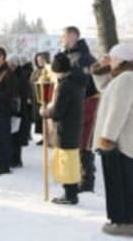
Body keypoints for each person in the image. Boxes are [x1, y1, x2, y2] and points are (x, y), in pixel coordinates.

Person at [92, 44, 133, 237]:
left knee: (121, 183)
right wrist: (100, 68)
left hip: (121, 142)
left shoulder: (126, 78)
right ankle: (122, 219)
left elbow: (118, 111)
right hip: (119, 141)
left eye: (113, 57)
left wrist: (107, 138)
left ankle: (125, 221)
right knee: (119, 182)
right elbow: (103, 87)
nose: (110, 60)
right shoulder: (121, 77)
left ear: (123, 58)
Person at [40, 53, 83, 205]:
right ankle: (70, 192)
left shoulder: (64, 86)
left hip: (65, 129)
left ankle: (70, 194)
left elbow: (57, 111)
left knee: (67, 162)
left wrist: (44, 112)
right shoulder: (75, 82)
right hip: (72, 127)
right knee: (69, 161)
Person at [62, 26, 99, 192]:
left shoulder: (85, 58)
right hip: (73, 103)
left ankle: (87, 179)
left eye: (65, 36)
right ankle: (77, 175)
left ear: (73, 37)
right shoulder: (67, 56)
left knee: (84, 142)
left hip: (87, 102)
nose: (63, 39)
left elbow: (88, 83)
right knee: (75, 141)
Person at [0, 47, 17, 175]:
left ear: (1, 57)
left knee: (3, 137)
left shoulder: (8, 73)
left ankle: (5, 163)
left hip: (4, 110)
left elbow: (8, 94)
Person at [30, 52, 50, 145]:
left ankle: (48, 137)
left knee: (45, 118)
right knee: (39, 118)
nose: (40, 62)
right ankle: (43, 136)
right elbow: (30, 84)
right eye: (38, 60)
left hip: (46, 98)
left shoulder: (49, 71)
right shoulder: (35, 72)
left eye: (41, 60)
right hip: (36, 98)